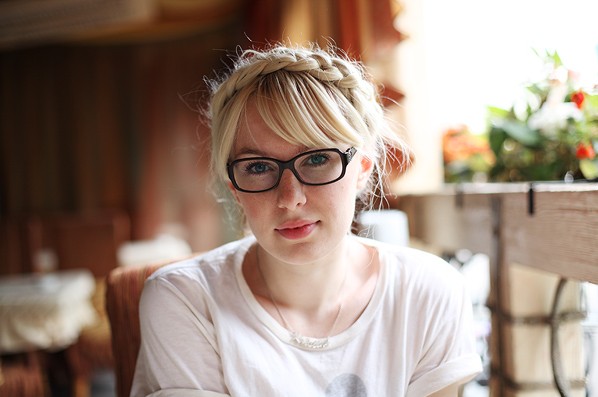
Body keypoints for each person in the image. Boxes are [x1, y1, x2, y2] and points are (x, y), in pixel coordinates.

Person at [131, 43, 482, 397]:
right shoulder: (186, 301)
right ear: (234, 188)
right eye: (258, 167)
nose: (290, 198)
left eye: (316, 160)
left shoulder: (429, 293)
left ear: (361, 169)